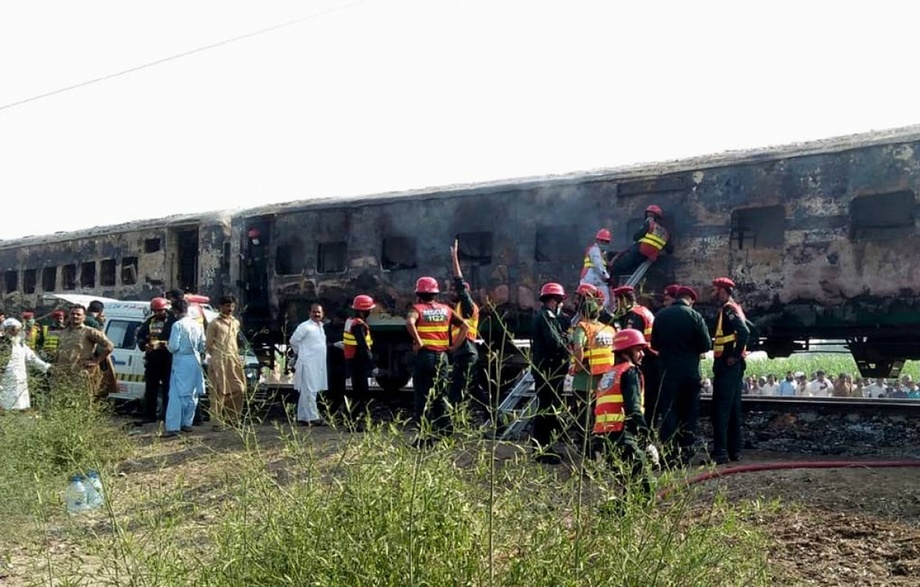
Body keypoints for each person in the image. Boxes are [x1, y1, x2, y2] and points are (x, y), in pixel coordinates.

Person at [650, 286, 711, 467]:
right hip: (690, 374)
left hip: (667, 374)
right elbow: (706, 344)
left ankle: (668, 456)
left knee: (669, 413)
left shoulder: (661, 315)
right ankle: (685, 455)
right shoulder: (695, 316)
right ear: (690, 300)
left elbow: (654, 343)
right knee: (689, 414)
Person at [592, 329, 655, 497]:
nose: (642, 354)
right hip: (621, 434)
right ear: (626, 353)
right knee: (644, 489)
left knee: (625, 485)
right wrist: (647, 439)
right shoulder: (629, 372)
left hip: (603, 436)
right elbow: (633, 408)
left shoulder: (609, 375)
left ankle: (616, 518)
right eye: (638, 350)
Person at [405, 276, 468, 444]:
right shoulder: (446, 309)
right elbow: (465, 327)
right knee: (440, 395)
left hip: (425, 357)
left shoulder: (417, 309)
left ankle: (423, 439)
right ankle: (446, 431)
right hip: (442, 357)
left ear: (418, 293)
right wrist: (453, 348)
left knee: (422, 397)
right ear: (435, 293)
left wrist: (419, 342)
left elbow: (409, 323)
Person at [710, 277, 750, 464]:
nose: (713, 294)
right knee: (733, 409)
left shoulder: (728, 309)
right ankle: (734, 451)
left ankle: (721, 452)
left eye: (715, 290)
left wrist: (734, 355)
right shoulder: (735, 308)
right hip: (732, 367)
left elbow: (744, 332)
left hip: (727, 366)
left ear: (723, 291)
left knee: (721, 409)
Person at [529, 282, 571, 463]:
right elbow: (556, 343)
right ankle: (542, 450)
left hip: (551, 370)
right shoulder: (546, 317)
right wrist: (568, 337)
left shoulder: (551, 318)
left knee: (549, 408)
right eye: (560, 301)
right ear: (555, 301)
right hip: (547, 371)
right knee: (545, 410)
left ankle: (546, 446)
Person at [569, 285, 616, 444]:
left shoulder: (583, 327)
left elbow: (578, 348)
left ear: (582, 313)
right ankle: (599, 441)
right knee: (599, 411)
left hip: (585, 378)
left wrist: (576, 367)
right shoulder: (609, 329)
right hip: (605, 378)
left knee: (583, 413)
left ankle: (585, 444)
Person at [612, 285, 660, 425]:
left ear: (623, 300)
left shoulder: (633, 315)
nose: (616, 305)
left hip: (644, 360)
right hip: (651, 359)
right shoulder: (644, 311)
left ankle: (643, 431)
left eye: (617, 301)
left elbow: (630, 341)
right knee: (650, 400)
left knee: (642, 398)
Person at [448, 239, 482, 417]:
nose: (452, 293)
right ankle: (498, 421)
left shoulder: (467, 305)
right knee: (474, 390)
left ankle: (446, 428)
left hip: (465, 351)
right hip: (466, 352)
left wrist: (455, 259)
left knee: (456, 391)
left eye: (455, 291)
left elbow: (460, 284)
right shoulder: (459, 307)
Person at [51, 304, 115, 399]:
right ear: (69, 316)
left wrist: (96, 361)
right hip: (62, 375)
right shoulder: (64, 332)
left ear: (84, 317)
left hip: (80, 375)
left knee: (81, 402)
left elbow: (110, 346)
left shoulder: (89, 331)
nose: (75, 316)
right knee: (60, 402)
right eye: (72, 314)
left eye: (78, 314)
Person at [164, 299, 206, 437]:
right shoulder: (197, 325)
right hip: (194, 360)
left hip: (181, 360)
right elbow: (202, 346)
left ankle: (173, 426)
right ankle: (187, 423)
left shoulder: (177, 325)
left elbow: (173, 346)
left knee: (176, 394)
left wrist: (165, 346)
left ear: (175, 311)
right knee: (192, 393)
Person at [205, 294, 248, 428]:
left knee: (239, 389)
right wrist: (217, 358)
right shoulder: (214, 323)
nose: (230, 309)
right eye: (227, 306)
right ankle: (217, 422)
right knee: (219, 391)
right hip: (219, 360)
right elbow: (209, 345)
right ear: (221, 306)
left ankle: (233, 419)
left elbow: (236, 341)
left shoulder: (235, 322)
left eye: (232, 306)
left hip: (233, 359)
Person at [135, 297, 176, 423]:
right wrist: (144, 345)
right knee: (151, 389)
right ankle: (149, 415)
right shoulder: (149, 322)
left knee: (168, 389)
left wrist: (162, 344)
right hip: (152, 360)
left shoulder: (173, 322)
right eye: (156, 311)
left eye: (161, 311)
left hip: (168, 360)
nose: (158, 313)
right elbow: (140, 337)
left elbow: (175, 340)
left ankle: (167, 416)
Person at [610, 205, 673, 283]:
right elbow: (670, 250)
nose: (649, 216)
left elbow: (636, 237)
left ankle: (612, 288)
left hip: (639, 251)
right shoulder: (666, 233)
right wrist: (658, 250)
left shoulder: (649, 225)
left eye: (650, 215)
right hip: (649, 257)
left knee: (616, 267)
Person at [0, 318, 51, 411]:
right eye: (15, 329)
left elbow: (32, 358)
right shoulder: (2, 344)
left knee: (21, 404)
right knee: (5, 406)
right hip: (5, 380)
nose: (19, 331)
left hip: (20, 379)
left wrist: (47, 367)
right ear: (8, 329)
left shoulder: (21, 344)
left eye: (19, 329)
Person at [289, 303, 328, 426]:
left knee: (308, 389)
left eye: (319, 312)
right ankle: (313, 417)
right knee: (310, 390)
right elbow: (293, 340)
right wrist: (301, 353)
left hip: (317, 363)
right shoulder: (305, 326)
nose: (316, 314)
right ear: (309, 313)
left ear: (322, 314)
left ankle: (302, 417)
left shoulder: (321, 326)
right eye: (314, 312)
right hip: (307, 362)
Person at [342, 294, 376, 425]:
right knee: (362, 393)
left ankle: (353, 420)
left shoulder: (350, 321)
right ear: (363, 310)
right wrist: (373, 365)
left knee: (357, 392)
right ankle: (358, 422)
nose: (370, 311)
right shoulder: (358, 325)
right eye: (369, 309)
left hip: (352, 359)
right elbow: (363, 345)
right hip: (358, 360)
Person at [579, 228, 613, 312]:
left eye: (606, 241)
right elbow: (598, 266)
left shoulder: (602, 252)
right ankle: (595, 315)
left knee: (603, 301)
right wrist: (607, 277)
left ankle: (596, 314)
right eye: (602, 241)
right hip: (591, 279)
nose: (604, 243)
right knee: (604, 300)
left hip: (595, 280)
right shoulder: (594, 250)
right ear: (597, 240)